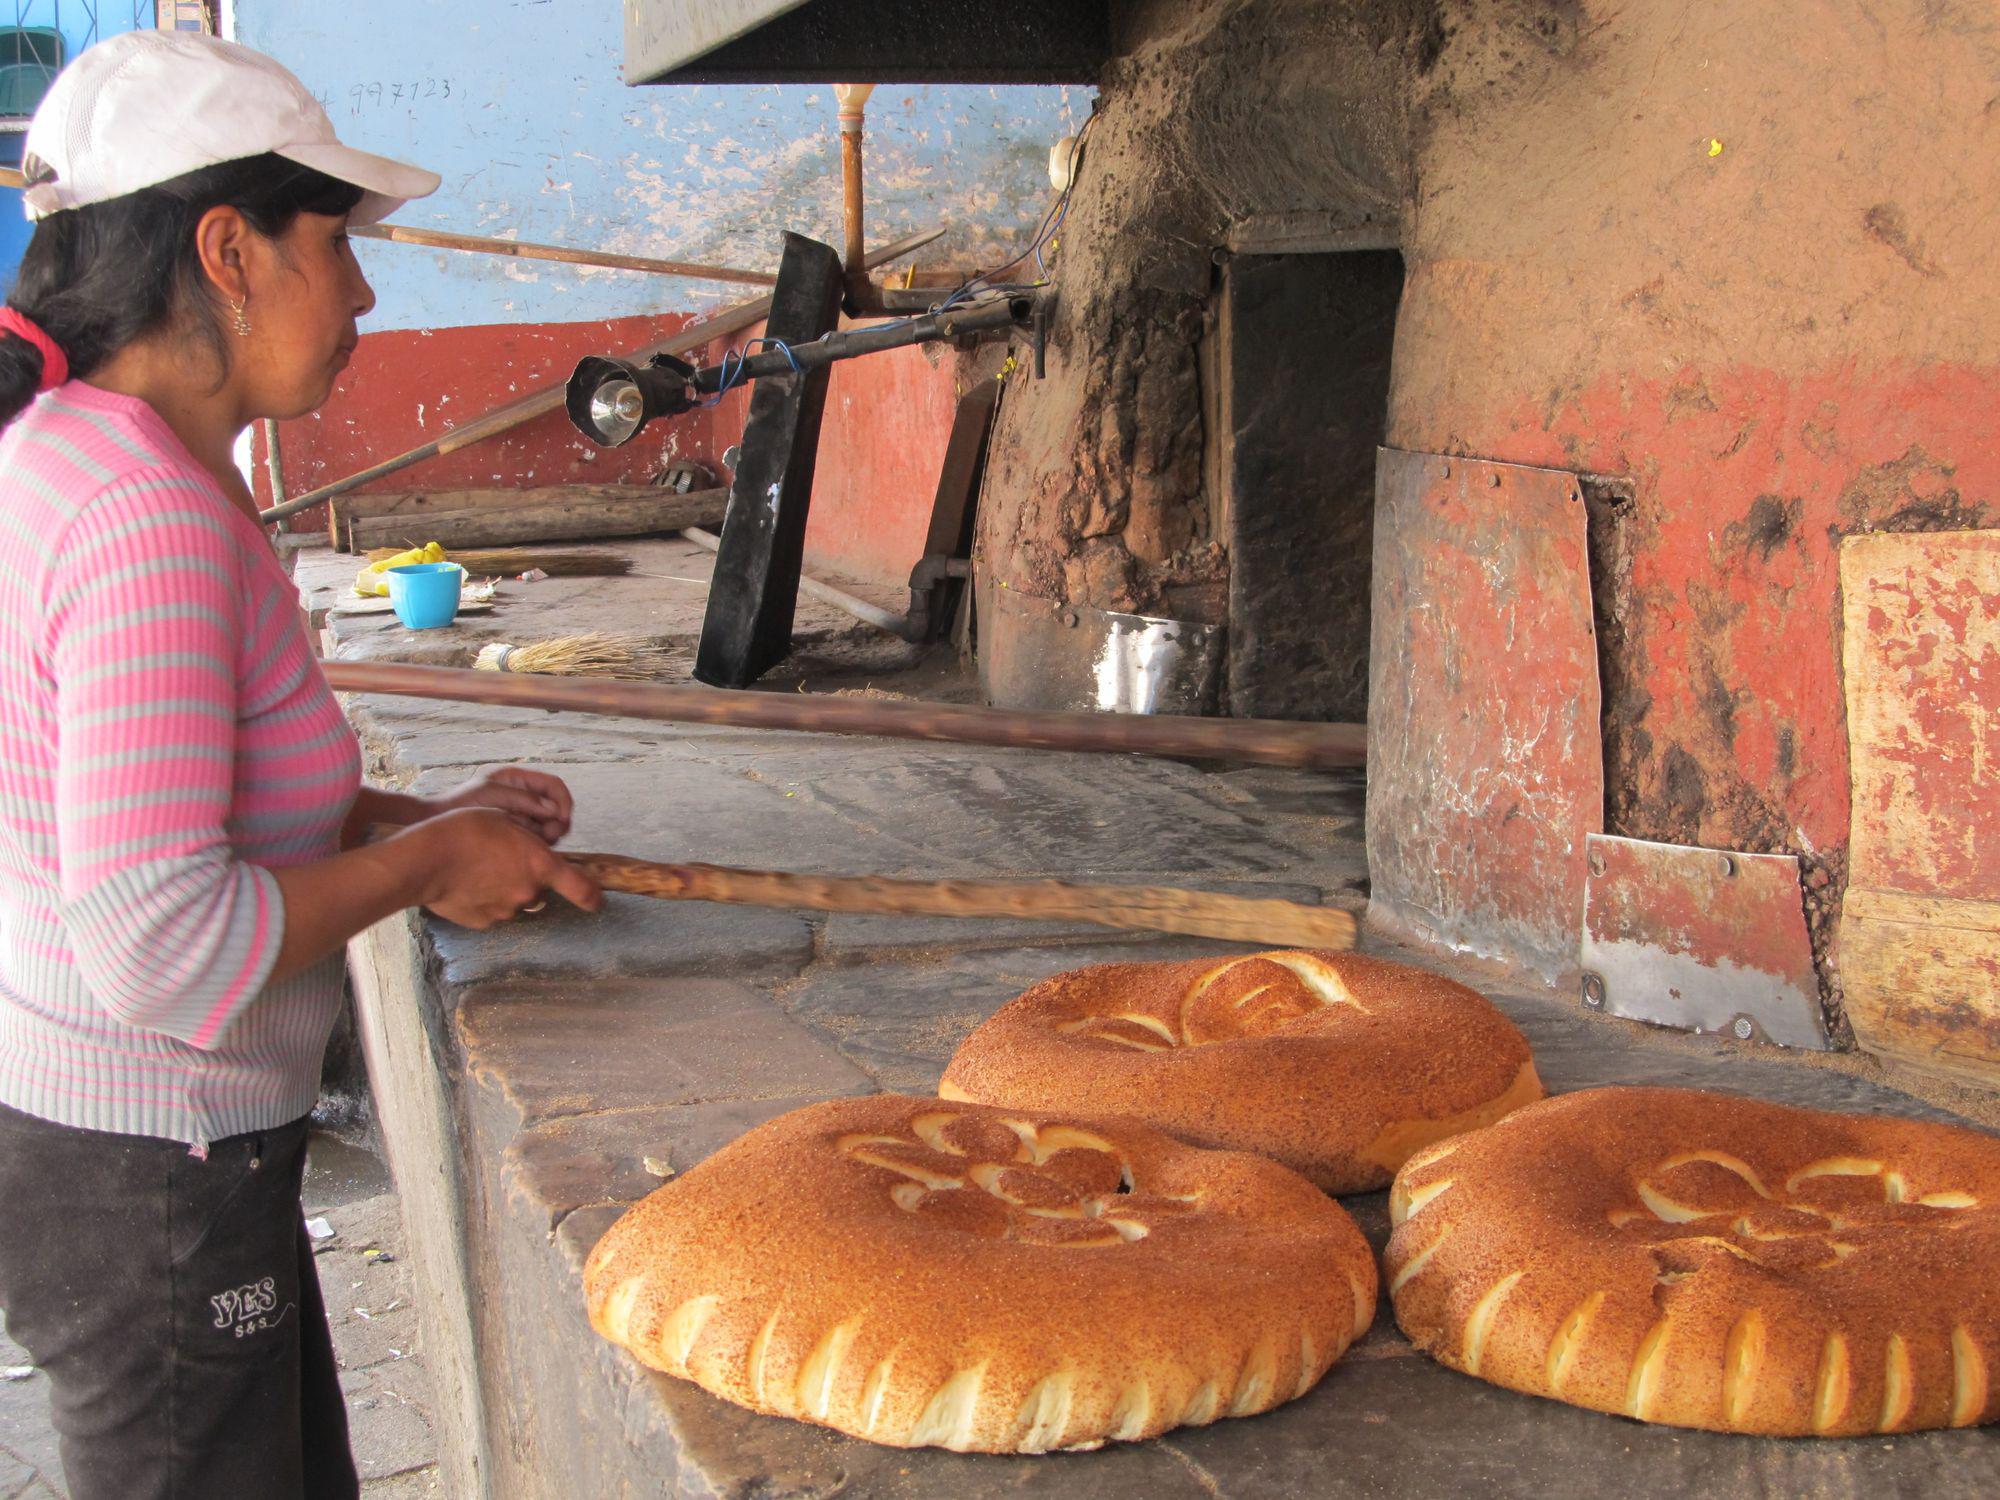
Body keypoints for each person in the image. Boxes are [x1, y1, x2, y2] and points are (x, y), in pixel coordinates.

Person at [0, 31, 602, 1500]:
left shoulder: (80, 450)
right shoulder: (142, 519)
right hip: (151, 1166)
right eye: (334, 243)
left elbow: (181, 793)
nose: (365, 294)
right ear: (229, 252)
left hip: (109, 1143)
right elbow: (157, 940)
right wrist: (424, 863)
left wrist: (417, 819)